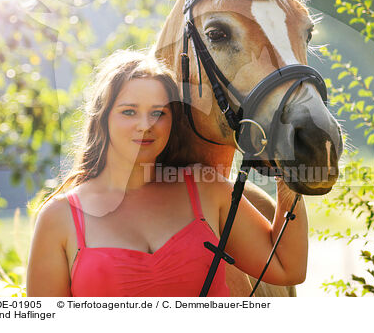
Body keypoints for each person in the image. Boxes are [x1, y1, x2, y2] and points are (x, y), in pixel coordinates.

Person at [26, 50, 308, 297]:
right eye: (129, 112)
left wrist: (288, 169)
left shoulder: (206, 189)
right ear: (103, 118)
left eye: (158, 113)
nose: (145, 125)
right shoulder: (58, 218)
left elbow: (286, 268)